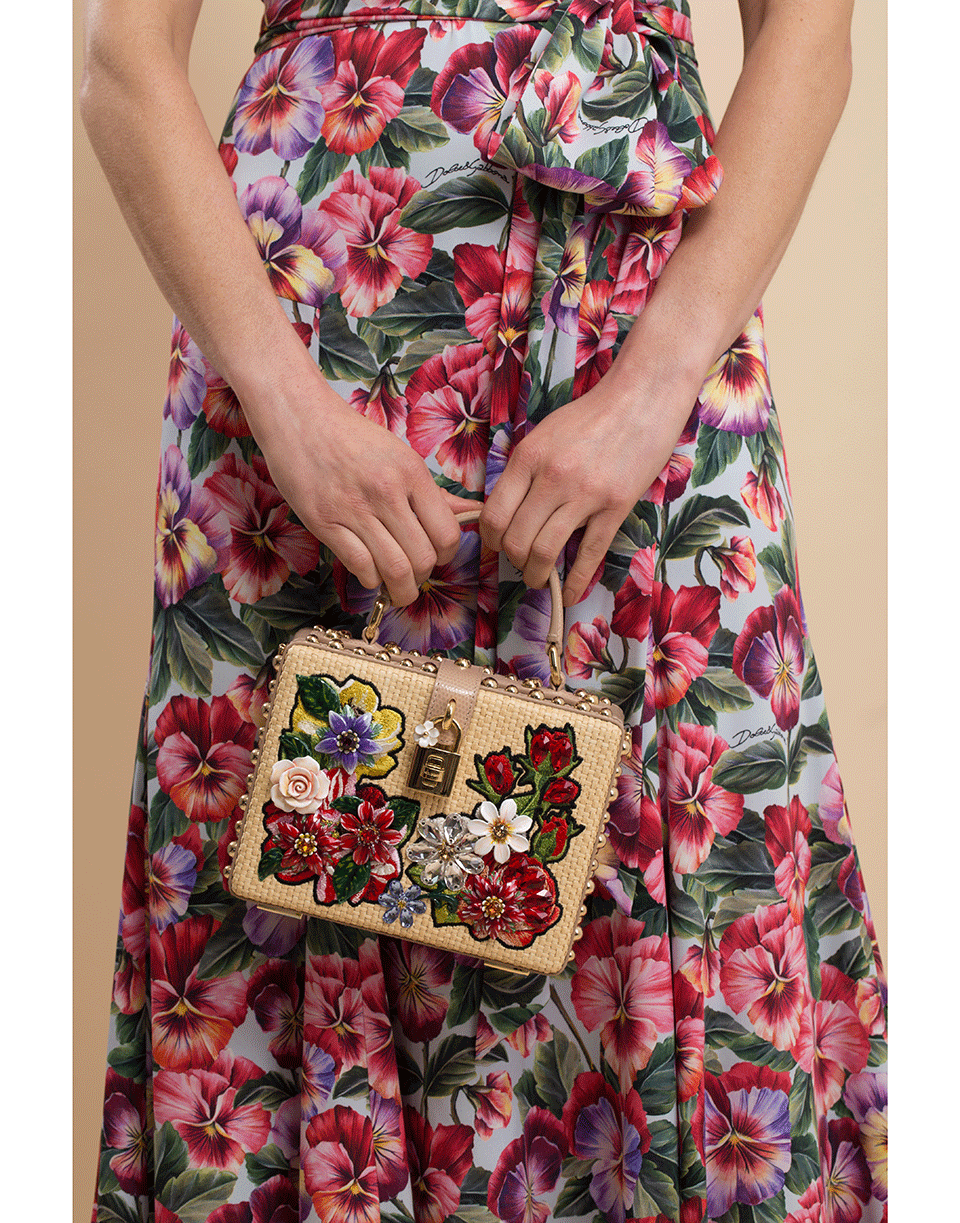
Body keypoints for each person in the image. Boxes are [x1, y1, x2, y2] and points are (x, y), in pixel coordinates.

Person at [79, 1, 888, 1220]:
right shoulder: (287, 402)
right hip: (305, 337)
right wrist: (285, 406)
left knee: (680, 869)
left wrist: (656, 385)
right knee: (296, 872)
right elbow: (123, 60)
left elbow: (809, 37)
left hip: (644, 340)